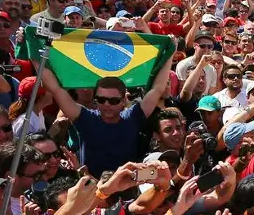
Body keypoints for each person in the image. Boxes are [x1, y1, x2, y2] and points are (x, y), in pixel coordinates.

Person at [40, 59, 172, 177]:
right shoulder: (87, 119)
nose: (107, 105)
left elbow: (158, 88)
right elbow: (56, 89)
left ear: (123, 101)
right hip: (91, 193)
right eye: (101, 100)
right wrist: (32, 48)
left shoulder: (132, 117)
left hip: (127, 192)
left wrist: (170, 52)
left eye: (113, 101)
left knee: (159, 174)